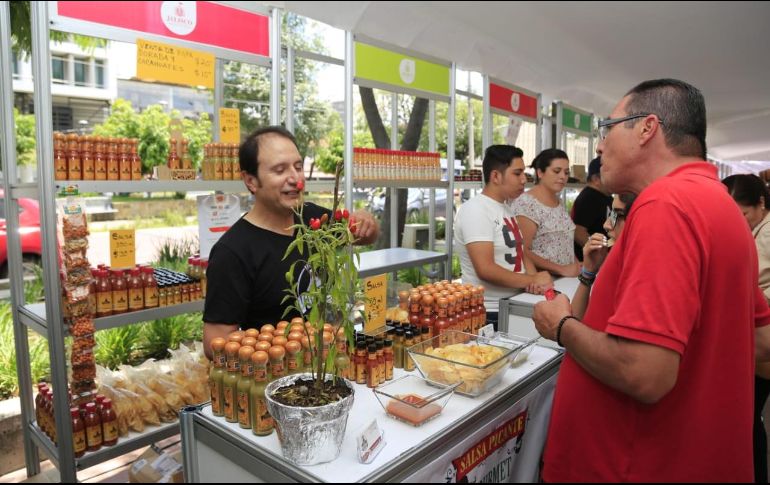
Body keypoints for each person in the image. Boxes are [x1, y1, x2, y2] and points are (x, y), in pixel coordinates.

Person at [532, 79, 770, 482]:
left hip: (635, 464)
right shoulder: (721, 205)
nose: (599, 147)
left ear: (647, 128)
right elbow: (761, 340)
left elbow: (644, 372)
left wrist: (562, 326)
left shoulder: (666, 205)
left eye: (607, 129)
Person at [202, 126, 379, 358]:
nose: (296, 179)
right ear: (251, 181)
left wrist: (367, 222)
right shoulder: (233, 252)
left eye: (298, 167)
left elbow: (366, 236)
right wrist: (277, 349)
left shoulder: (313, 219)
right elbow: (214, 344)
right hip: (279, 373)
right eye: (280, 170)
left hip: (331, 362)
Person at [454, 145, 552, 329]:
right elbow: (485, 269)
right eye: (517, 173)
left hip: (512, 304)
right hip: (488, 313)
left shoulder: (505, 208)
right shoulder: (476, 210)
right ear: (496, 177)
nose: (524, 179)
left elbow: (520, 252)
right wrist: (532, 280)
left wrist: (535, 279)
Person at [723, 173, 770, 483]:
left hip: (761, 335)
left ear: (761, 203)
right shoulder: (758, 229)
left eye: (742, 214)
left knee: (750, 417)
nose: (738, 222)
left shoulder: (766, 235)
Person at [512, 148, 580, 277]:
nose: (563, 177)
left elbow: (565, 241)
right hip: (543, 281)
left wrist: (575, 264)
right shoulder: (526, 204)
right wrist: (561, 269)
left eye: (566, 172)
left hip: (567, 279)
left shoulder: (558, 201)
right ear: (540, 173)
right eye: (556, 171)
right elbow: (522, 250)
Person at [571, 193, 636, 320]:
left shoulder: (640, 276)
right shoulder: (615, 265)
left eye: (618, 215)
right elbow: (576, 321)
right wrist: (588, 272)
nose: (606, 224)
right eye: (611, 214)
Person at [571, 156, 612, 261]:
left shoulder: (605, 196)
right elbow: (578, 232)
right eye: (610, 175)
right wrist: (600, 253)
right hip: (591, 262)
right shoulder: (589, 198)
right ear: (596, 179)